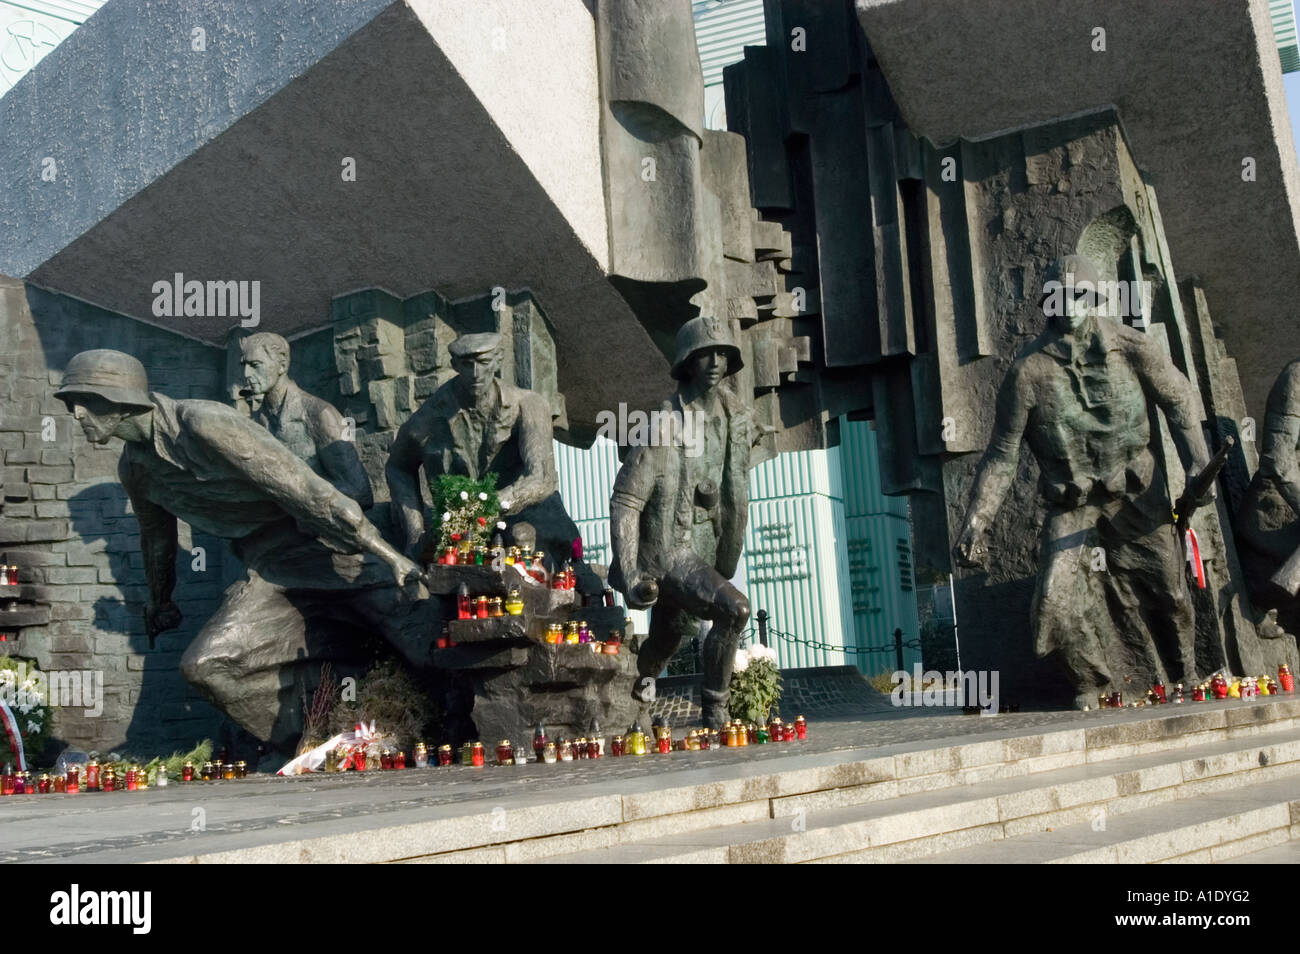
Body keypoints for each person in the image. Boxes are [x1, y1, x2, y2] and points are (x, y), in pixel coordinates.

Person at [55, 350, 427, 750]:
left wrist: (388, 555)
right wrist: (160, 603)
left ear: (121, 401)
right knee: (206, 668)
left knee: (424, 646)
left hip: (334, 548)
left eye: (86, 402)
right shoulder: (135, 469)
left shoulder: (203, 423)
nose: (76, 414)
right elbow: (157, 538)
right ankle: (320, 746)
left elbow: (305, 487)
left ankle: (422, 727)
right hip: (269, 566)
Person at [953, 255, 1214, 708]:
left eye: (1080, 294)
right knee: (1052, 603)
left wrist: (1197, 462)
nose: (1070, 304)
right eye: (1060, 296)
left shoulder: (1133, 347)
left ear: (1094, 298)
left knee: (1168, 591)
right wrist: (977, 522)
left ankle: (1186, 674)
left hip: (1136, 493)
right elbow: (1001, 456)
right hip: (1072, 504)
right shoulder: (1027, 374)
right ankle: (1093, 682)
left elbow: (1179, 399)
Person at [608, 315, 752, 729]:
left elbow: (734, 488)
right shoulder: (662, 425)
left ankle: (634, 698)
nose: (714, 362)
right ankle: (715, 710)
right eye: (705, 354)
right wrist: (632, 570)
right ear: (687, 361)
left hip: (706, 550)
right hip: (669, 552)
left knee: (666, 640)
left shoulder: (733, 417)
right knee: (735, 610)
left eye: (722, 353)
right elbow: (626, 501)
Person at [386, 332, 589, 583]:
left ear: (498, 360)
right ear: (454, 366)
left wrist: (491, 506)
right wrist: (415, 532)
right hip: (463, 524)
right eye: (466, 364)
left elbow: (540, 478)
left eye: (483, 362)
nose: (475, 372)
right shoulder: (428, 419)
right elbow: (398, 468)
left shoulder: (528, 405)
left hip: (525, 509)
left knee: (549, 553)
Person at [238, 332, 373, 507]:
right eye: (244, 365)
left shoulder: (320, 413)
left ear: (282, 365)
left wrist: (295, 492)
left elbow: (360, 492)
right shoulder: (256, 422)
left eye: (255, 365)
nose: (246, 373)